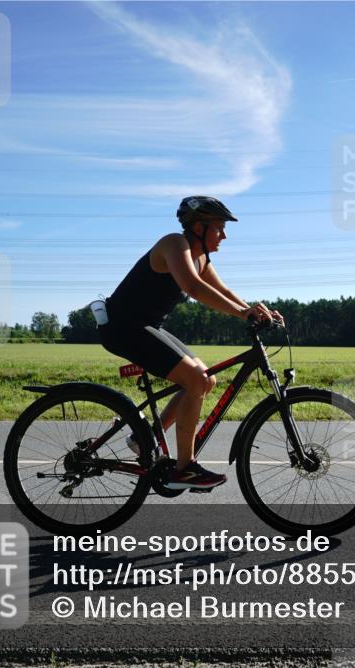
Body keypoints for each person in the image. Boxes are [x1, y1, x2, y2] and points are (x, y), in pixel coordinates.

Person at [97, 196, 281, 490]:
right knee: (195, 379)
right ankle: (184, 469)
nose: (224, 235)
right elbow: (193, 287)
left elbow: (224, 290)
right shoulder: (174, 244)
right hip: (123, 327)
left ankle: (146, 438)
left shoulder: (201, 257)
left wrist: (255, 310)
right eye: (219, 228)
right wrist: (243, 314)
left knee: (205, 380)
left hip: (147, 326)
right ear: (199, 227)